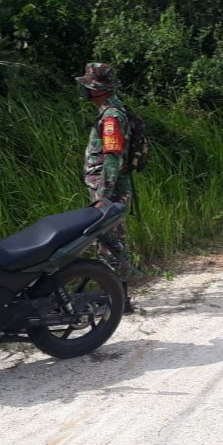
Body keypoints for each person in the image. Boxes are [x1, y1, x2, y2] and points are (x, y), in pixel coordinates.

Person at [76, 62, 135, 313]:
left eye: (88, 86)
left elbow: (112, 157)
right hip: (110, 189)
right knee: (109, 241)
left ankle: (119, 300)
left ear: (98, 89)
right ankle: (116, 297)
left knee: (111, 243)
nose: (85, 90)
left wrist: (103, 195)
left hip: (111, 191)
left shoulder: (111, 117)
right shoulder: (111, 111)